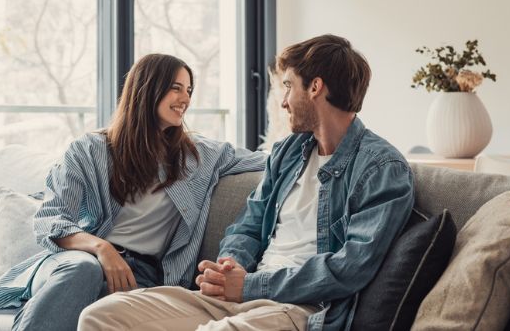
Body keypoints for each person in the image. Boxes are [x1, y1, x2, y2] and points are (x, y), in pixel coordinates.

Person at [77, 35, 415, 331]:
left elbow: (351, 268)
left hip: (301, 308)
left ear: (315, 88)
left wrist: (251, 286)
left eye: (288, 86)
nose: (283, 101)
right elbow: (249, 225)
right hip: (240, 295)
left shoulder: (382, 167)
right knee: (101, 316)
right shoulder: (288, 152)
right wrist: (230, 265)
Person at [0, 54, 267, 331]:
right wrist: (103, 249)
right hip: (76, 260)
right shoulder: (89, 150)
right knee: (83, 272)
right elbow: (52, 220)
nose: (186, 99)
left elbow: (273, 158)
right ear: (147, 89)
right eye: (176, 88)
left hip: (145, 276)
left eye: (189, 90)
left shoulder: (201, 155)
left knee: (103, 311)